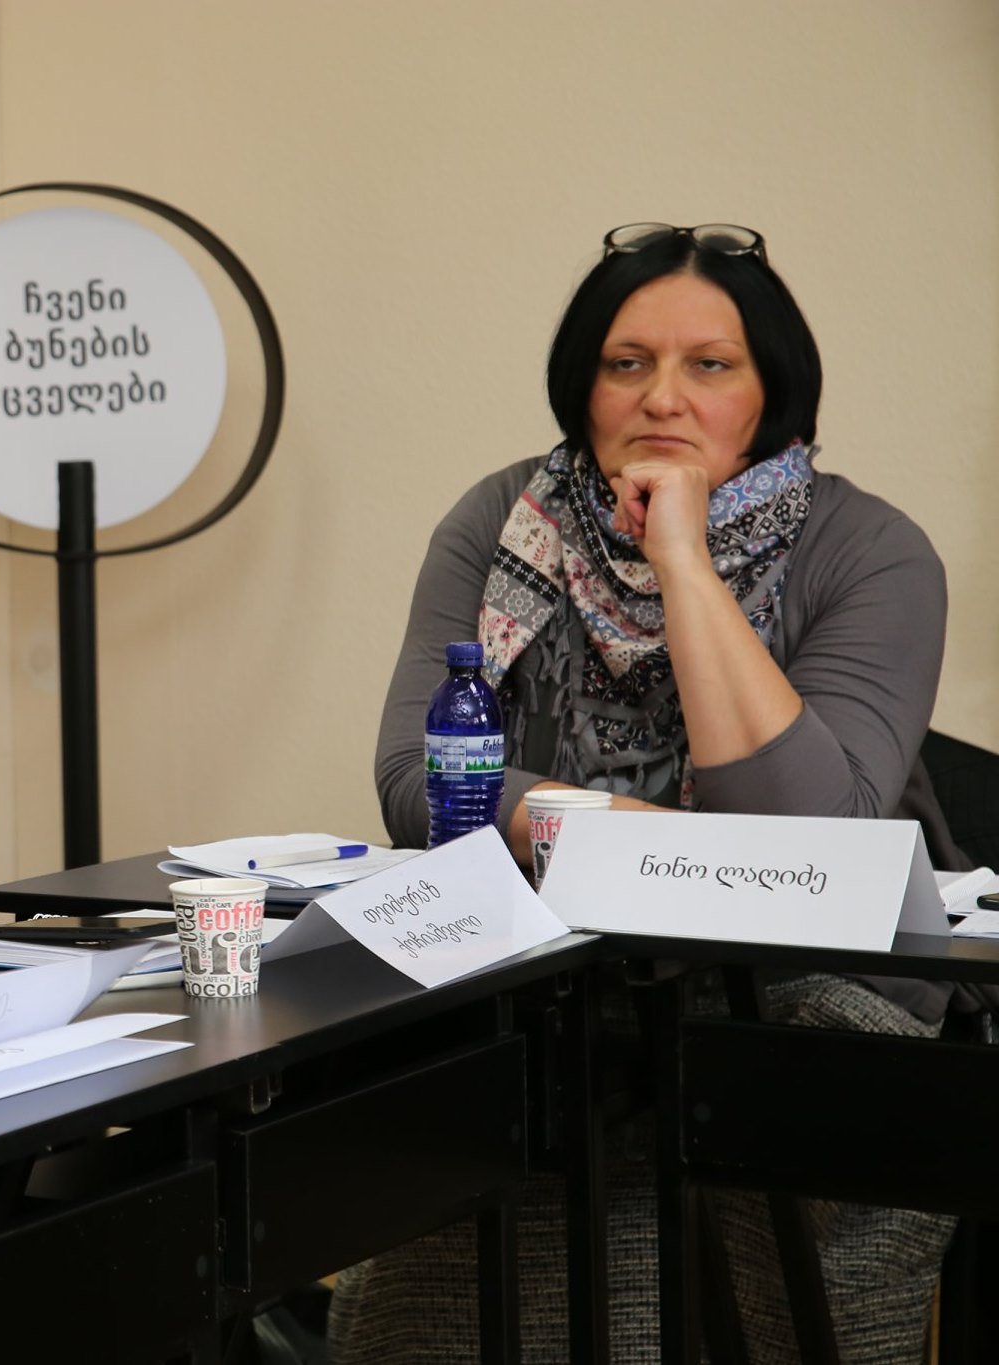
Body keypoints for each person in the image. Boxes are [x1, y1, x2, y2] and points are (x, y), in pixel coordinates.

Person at [341, 224, 957, 1362]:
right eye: (625, 363)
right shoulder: (499, 521)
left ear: (772, 391)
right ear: (581, 385)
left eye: (708, 365)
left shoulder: (869, 549)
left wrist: (680, 559)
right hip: (550, 985)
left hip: (804, 1005)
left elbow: (810, 846)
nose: (661, 397)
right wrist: (658, 846)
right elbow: (420, 780)